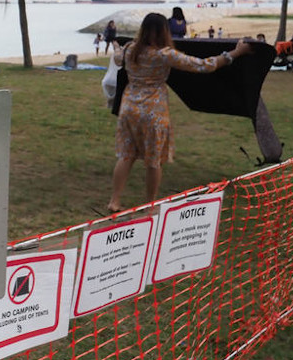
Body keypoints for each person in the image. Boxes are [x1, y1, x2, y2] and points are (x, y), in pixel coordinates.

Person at [107, 13, 252, 211]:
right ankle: (150, 205)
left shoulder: (131, 49)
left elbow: (117, 58)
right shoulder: (165, 54)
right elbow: (203, 65)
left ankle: (114, 201)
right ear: (164, 31)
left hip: (128, 108)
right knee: (153, 160)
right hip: (153, 112)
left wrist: (116, 46)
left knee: (126, 156)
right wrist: (236, 53)